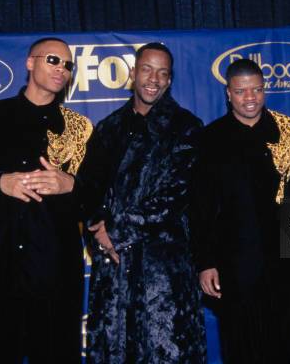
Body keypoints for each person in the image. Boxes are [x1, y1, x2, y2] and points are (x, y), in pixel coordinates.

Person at [0, 37, 91, 362]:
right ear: (30, 62)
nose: (61, 70)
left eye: (68, 65)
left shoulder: (78, 130)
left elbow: (97, 196)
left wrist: (71, 185)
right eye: (53, 60)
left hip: (55, 274)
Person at [69, 42, 206, 363]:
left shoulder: (186, 128)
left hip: (163, 271)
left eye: (162, 73)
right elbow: (89, 190)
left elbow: (176, 194)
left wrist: (115, 230)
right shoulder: (109, 127)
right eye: (147, 69)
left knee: (165, 350)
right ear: (132, 73)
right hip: (113, 270)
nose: (153, 79)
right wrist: (97, 228)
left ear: (170, 80)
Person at [192, 59, 290, 363]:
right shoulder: (210, 139)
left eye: (256, 89)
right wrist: (205, 261)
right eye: (242, 91)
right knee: (241, 346)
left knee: (286, 343)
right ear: (228, 93)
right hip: (235, 264)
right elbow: (200, 206)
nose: (250, 97)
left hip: (286, 261)